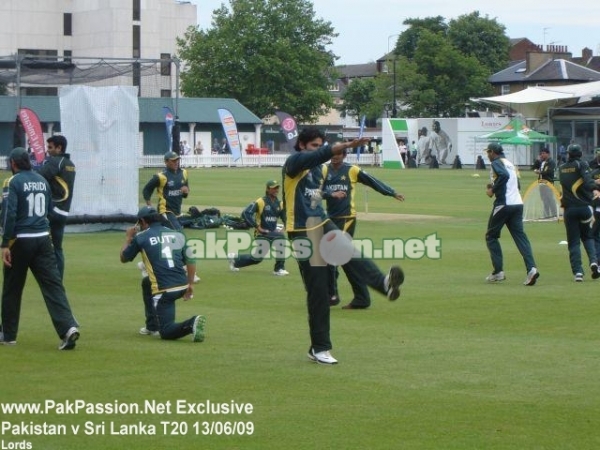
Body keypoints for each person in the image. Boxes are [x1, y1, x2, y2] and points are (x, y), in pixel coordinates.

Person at [282, 127, 404, 365]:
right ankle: (319, 348)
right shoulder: (294, 163)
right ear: (301, 145)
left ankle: (383, 283)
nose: (317, 150)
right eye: (313, 146)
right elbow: (316, 158)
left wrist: (327, 196)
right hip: (300, 230)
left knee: (348, 250)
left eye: (320, 146)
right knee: (318, 292)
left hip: (321, 222)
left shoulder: (319, 170)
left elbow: (314, 196)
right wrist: (347, 145)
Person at [0, 147, 80, 350]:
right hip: (43, 239)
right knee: (53, 286)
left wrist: (4, 244)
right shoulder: (42, 181)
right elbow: (46, 211)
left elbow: (9, 214)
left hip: (21, 240)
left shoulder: (12, 182)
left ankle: (8, 335)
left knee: (12, 288)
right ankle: (68, 327)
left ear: (13, 164)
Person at [322, 148, 405, 309]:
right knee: (346, 259)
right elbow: (318, 190)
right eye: (332, 154)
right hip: (331, 219)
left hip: (346, 218)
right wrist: (329, 194)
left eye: (338, 154)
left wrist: (391, 192)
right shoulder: (325, 170)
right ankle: (362, 298)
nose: (334, 158)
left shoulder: (352, 170)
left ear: (344, 155)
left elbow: (372, 181)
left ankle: (332, 294)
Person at [120, 206, 206, 341]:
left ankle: (191, 323)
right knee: (146, 282)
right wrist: (190, 284)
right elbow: (191, 259)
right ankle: (151, 326)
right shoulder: (177, 234)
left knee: (166, 332)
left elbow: (124, 258)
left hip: (164, 290)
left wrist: (128, 238)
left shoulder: (141, 237)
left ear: (142, 221)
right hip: (182, 285)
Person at [484, 143, 540, 286]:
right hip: (517, 203)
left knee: (491, 236)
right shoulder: (510, 163)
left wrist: (493, 190)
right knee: (520, 237)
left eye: (488, 152)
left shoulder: (496, 162)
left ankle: (498, 272)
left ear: (493, 152)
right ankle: (531, 268)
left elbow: (504, 175)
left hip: (504, 204)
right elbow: (518, 185)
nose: (487, 155)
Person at [557, 144, 600, 282]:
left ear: (568, 153)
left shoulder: (562, 168)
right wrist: (595, 185)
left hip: (569, 209)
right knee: (588, 237)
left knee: (574, 242)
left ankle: (578, 273)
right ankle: (594, 262)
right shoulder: (581, 164)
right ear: (580, 154)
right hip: (584, 207)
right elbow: (587, 183)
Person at [228, 180, 288, 276]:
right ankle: (279, 269)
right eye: (273, 188)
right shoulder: (261, 202)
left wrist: (284, 228)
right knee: (279, 239)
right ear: (268, 189)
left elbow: (285, 218)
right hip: (262, 234)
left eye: (277, 188)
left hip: (272, 233)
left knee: (257, 258)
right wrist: (257, 227)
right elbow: (246, 213)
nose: (276, 190)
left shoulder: (279, 204)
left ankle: (235, 259)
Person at [37, 135, 76, 280]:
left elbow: (39, 176)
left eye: (50, 147)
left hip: (52, 209)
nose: (48, 151)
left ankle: (47, 276)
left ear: (59, 148)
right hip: (64, 211)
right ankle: (58, 279)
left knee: (38, 242)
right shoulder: (70, 163)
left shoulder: (56, 161)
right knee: (58, 248)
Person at [142, 151, 189, 231]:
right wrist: (150, 207)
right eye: (173, 161)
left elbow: (184, 195)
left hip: (177, 212)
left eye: (177, 160)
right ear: (166, 162)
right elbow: (146, 190)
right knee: (178, 232)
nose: (176, 162)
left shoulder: (183, 173)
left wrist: (186, 192)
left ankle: (156, 226)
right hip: (165, 211)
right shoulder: (161, 176)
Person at [534, 147, 557, 218]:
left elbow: (548, 171)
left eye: (544, 153)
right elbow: (534, 167)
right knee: (544, 200)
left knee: (550, 199)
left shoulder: (551, 162)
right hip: (541, 183)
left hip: (548, 183)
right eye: (541, 153)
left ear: (548, 154)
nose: (542, 155)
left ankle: (554, 214)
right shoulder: (542, 162)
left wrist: (539, 172)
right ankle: (546, 214)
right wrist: (537, 160)